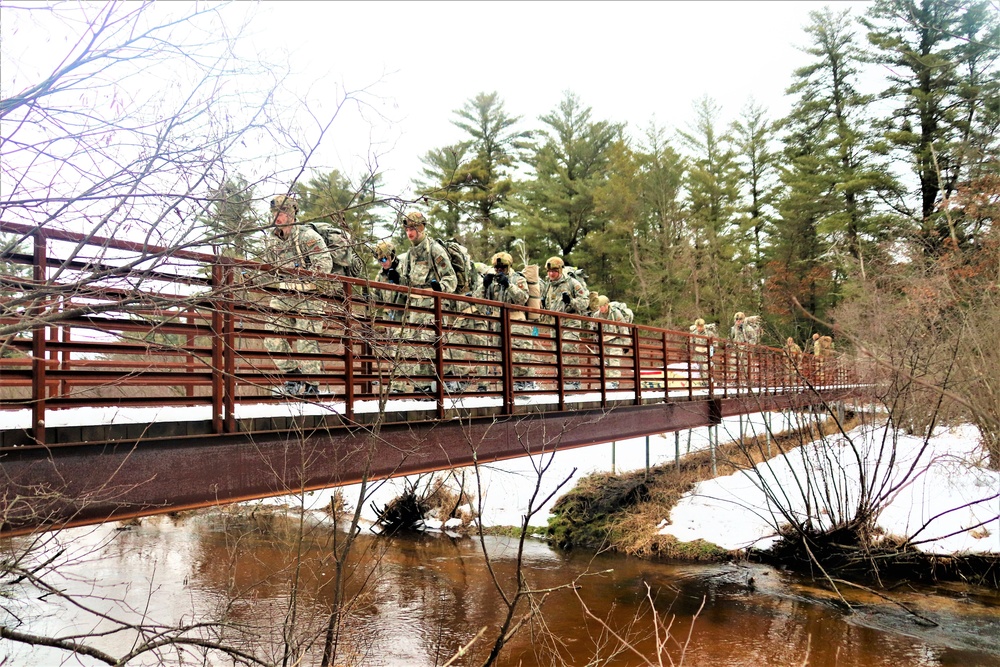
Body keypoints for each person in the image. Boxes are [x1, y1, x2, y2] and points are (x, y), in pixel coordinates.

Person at [263, 194, 332, 398]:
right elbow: (266, 268)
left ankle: (312, 386)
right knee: (271, 335)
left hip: (308, 295)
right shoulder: (272, 240)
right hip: (284, 292)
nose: (278, 216)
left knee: (306, 341)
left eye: (282, 212)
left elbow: (325, 264)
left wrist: (302, 275)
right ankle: (292, 375)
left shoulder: (307, 236)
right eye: (275, 212)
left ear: (292, 214)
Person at [394, 211, 457, 394]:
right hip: (415, 307)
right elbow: (407, 282)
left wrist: (439, 289)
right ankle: (421, 386)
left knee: (432, 344)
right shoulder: (408, 255)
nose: (410, 233)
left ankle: (440, 384)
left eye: (413, 228)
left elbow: (451, 280)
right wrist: (397, 279)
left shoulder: (434, 250)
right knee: (415, 346)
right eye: (407, 229)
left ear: (421, 228)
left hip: (432, 306)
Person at [479, 251, 534, 390]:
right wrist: (484, 286)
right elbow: (478, 302)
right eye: (497, 268)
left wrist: (509, 285)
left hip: (516, 322)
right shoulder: (491, 280)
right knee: (501, 356)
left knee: (519, 356)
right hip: (498, 323)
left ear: (509, 267)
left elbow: (522, 298)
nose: (499, 270)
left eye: (502, 268)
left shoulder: (517, 279)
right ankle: (509, 385)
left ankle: (524, 383)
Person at [540, 256, 590, 389]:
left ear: (561, 270)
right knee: (557, 354)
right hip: (554, 324)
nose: (551, 274)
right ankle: (562, 382)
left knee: (569, 350)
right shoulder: (548, 286)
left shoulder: (572, 283)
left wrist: (571, 301)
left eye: (554, 271)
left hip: (570, 322)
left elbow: (585, 302)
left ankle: (573, 381)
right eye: (549, 271)